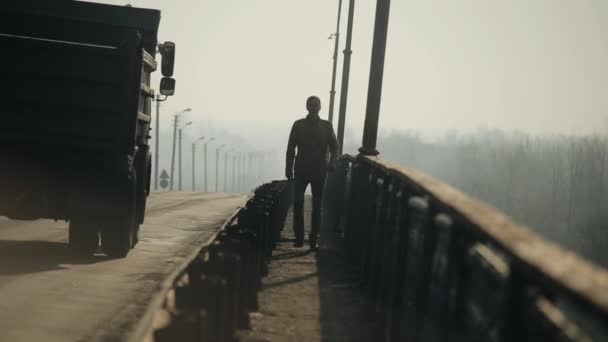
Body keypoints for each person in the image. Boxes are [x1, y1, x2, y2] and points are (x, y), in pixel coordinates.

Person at [285, 96, 339, 250]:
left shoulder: (326, 126)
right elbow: (290, 148)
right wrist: (288, 169)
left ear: (320, 107)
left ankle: (314, 238)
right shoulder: (298, 125)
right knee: (298, 203)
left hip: (320, 171)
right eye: (310, 104)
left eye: (316, 105)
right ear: (307, 107)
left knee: (317, 206)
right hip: (301, 169)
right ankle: (299, 238)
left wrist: (333, 162)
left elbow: (335, 147)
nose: (313, 107)